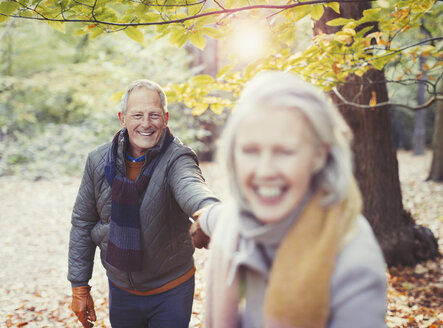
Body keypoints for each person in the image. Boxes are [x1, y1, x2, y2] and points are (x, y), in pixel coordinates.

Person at [191, 71, 387, 328]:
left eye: (284, 151)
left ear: (318, 154)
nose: (264, 171)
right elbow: (217, 217)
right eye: (250, 150)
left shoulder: (353, 259)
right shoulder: (236, 219)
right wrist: (201, 220)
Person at [68, 79, 219, 328]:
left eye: (154, 115)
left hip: (171, 289)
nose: (146, 123)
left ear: (166, 118)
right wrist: (79, 287)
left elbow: (191, 186)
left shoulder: (177, 157)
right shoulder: (97, 161)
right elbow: (83, 222)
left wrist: (211, 211)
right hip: (121, 290)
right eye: (137, 115)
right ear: (122, 118)